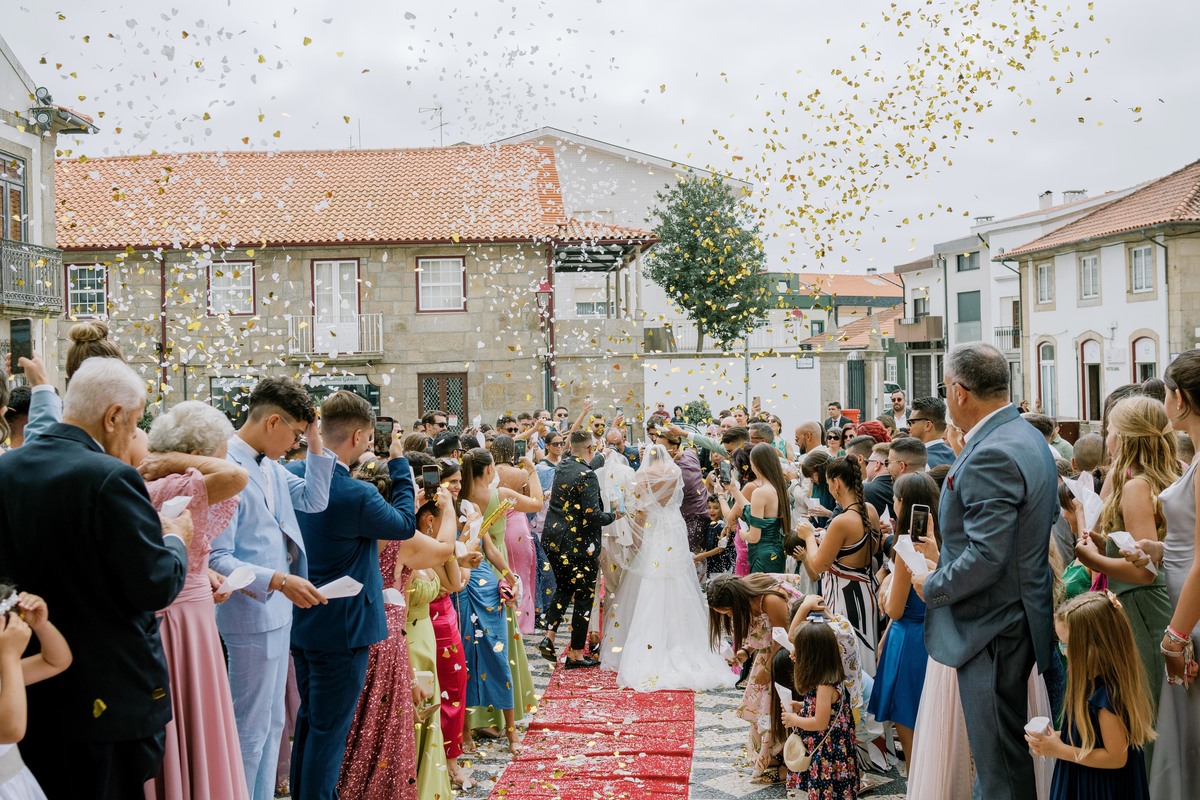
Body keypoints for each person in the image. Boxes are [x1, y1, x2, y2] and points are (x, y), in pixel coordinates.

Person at [0, 358, 191, 799]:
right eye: (136, 421)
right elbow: (155, 584)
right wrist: (176, 539)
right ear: (113, 417)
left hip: (30, 686)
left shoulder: (7, 469)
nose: (133, 435)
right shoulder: (109, 477)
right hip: (108, 692)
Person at [914, 342, 1058, 800]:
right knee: (1002, 754)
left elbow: (987, 555)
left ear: (958, 392)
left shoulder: (993, 451)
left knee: (999, 762)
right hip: (1020, 610)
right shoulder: (1026, 435)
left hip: (993, 623)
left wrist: (932, 585)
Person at [287, 392, 425, 800]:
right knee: (329, 735)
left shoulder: (292, 477)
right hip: (345, 630)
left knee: (311, 722)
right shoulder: (354, 494)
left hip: (302, 620)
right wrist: (399, 463)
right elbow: (403, 523)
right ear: (360, 435)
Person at [208, 377, 336, 800]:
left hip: (280, 611)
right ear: (273, 421)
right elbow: (217, 558)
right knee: (249, 726)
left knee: (274, 723)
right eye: (296, 434)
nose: (297, 444)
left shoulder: (269, 464)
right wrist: (278, 580)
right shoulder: (225, 464)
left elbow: (316, 501)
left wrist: (315, 438)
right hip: (250, 612)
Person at [137, 402, 251, 800]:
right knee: (193, 717)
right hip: (181, 619)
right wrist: (178, 459)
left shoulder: (168, 483)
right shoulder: (176, 482)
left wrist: (208, 573)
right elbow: (238, 476)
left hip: (192, 607)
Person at [1073, 395, 1176, 759]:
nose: (1108, 436)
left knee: (1146, 707)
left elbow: (1144, 571)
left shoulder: (1135, 486)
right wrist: (1108, 545)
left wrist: (1094, 559)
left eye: (1111, 429)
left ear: (1126, 436)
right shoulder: (1165, 474)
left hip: (1143, 607)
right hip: (1149, 604)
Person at [601, 445, 735, 692]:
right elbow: (676, 501)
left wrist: (636, 541)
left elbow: (641, 511)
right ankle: (683, 640)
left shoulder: (642, 476)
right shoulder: (674, 472)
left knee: (649, 579)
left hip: (653, 527)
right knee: (677, 578)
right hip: (673, 526)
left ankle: (646, 648)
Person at [1026, 592, 1153, 799]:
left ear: (1095, 647)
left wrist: (1060, 750)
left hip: (1099, 787)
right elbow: (1091, 738)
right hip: (1082, 775)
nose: (1064, 652)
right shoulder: (1087, 683)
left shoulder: (1106, 697)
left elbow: (1115, 757)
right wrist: (1055, 738)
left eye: (1067, 645)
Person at [459, 448, 540, 752]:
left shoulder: (476, 510)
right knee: (464, 656)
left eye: (455, 480)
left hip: (485, 579)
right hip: (460, 580)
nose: (453, 486)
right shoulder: (452, 507)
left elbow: (490, 546)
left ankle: (510, 732)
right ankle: (465, 733)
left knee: (497, 650)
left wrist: (508, 576)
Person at [707, 574, 804, 784]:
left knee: (778, 705)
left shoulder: (769, 600)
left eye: (729, 612)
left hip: (789, 655)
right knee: (762, 706)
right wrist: (745, 651)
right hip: (769, 654)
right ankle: (773, 756)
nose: (730, 616)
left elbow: (784, 637)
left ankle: (788, 756)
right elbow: (763, 633)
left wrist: (768, 669)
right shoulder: (746, 597)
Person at [869, 472, 937, 768]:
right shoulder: (943, 539)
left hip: (908, 639)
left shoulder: (906, 547)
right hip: (938, 637)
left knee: (909, 726)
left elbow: (894, 609)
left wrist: (884, 588)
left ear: (902, 504)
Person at [540, 431, 618, 668]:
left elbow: (586, 463)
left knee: (564, 588)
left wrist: (601, 457)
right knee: (584, 596)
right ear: (590, 449)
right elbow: (592, 515)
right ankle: (575, 653)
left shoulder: (563, 464)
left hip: (553, 539)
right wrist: (614, 515)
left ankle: (548, 635)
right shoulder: (587, 476)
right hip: (577, 545)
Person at [797, 457, 882, 672]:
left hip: (845, 597)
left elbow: (817, 566)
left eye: (828, 485)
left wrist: (808, 536)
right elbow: (872, 549)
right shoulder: (869, 510)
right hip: (865, 591)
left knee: (847, 660)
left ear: (836, 483)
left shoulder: (842, 521)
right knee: (865, 658)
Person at [0, 587, 72, 800]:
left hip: (16, 786)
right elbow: (10, 731)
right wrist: (10, 657)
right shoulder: (8, 668)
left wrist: (41, 626)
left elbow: (56, 661)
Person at [781, 619, 859, 799]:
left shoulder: (825, 686)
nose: (794, 653)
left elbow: (820, 722)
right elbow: (826, 710)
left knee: (826, 793)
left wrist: (794, 720)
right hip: (826, 748)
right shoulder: (827, 678)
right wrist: (800, 706)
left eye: (798, 649)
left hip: (827, 753)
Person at [722, 443, 789, 573]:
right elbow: (749, 509)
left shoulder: (760, 492)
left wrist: (743, 534)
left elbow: (754, 537)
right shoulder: (778, 488)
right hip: (776, 551)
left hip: (761, 553)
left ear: (755, 464)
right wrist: (733, 489)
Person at [909, 396, 956, 468]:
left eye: (912, 422)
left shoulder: (920, 463)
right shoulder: (958, 456)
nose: (908, 427)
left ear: (928, 425)